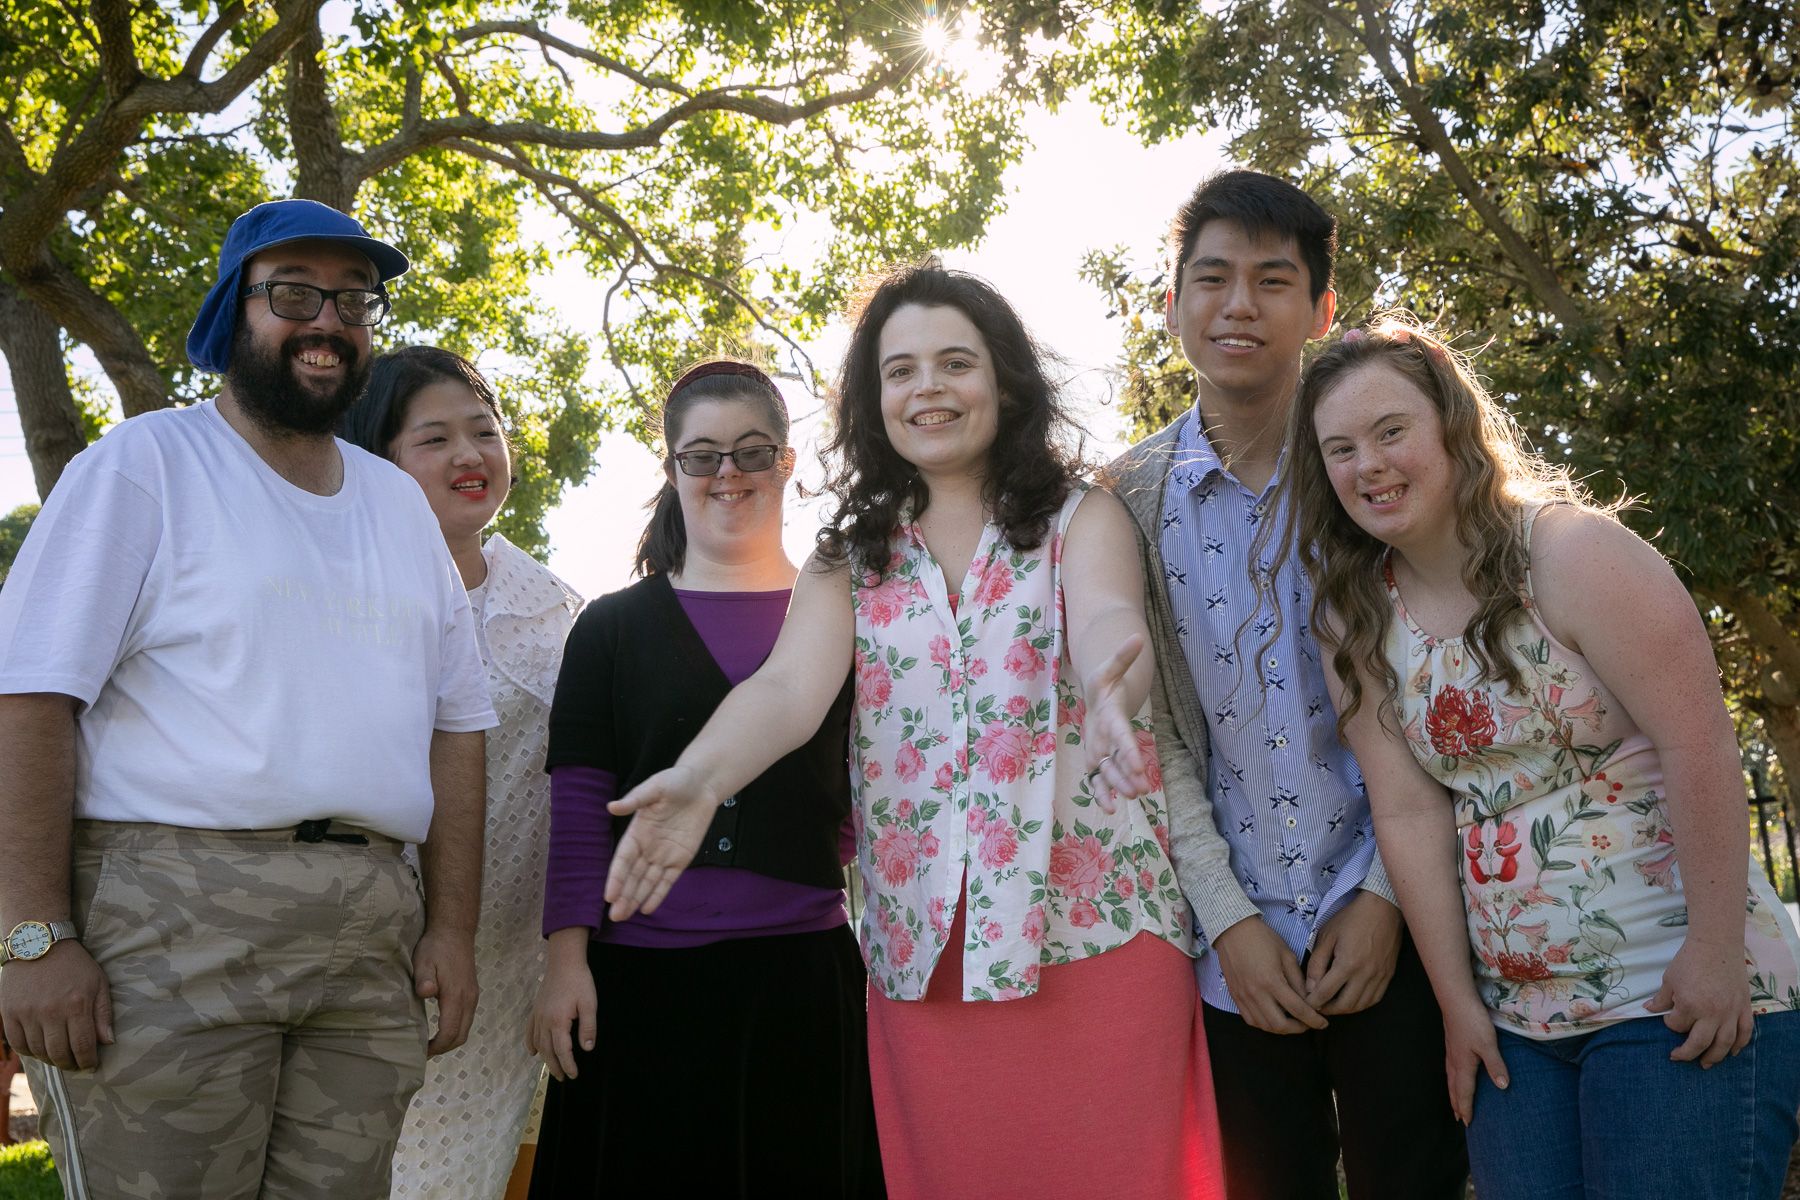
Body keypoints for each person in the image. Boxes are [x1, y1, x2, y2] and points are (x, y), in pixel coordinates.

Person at [604, 266, 1224, 1199]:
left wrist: (1108, 691)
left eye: (954, 362)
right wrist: (698, 779)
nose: (926, 387)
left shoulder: (1081, 515)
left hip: (1096, 930)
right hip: (924, 952)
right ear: (872, 400)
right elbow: (784, 693)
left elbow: (1105, 619)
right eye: (900, 371)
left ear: (1006, 382)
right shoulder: (848, 555)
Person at [0, 199, 495, 1197]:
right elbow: (28, 699)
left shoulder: (398, 503)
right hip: (169, 926)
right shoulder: (143, 467)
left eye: (354, 302)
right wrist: (30, 935)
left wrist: (449, 930)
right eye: (295, 295)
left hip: (368, 935)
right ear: (235, 314)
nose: (329, 322)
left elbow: (458, 731)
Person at [1284, 313, 1800, 1199]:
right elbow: (1410, 815)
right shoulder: (1354, 618)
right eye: (1340, 449)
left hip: (1675, 994)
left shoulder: (1571, 553)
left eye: (1390, 431)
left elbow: (1699, 743)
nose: (1367, 464)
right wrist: (1457, 1007)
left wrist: (1717, 954)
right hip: (1517, 1026)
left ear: (1449, 421)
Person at [1103, 170, 1467, 1198]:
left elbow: (1437, 685)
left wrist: (1390, 896)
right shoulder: (1124, 500)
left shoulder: (1369, 466)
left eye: (1273, 280)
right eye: (1210, 278)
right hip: (1238, 946)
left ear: (1321, 307)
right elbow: (1159, 735)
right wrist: (1228, 917)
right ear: (1169, 302)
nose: (1237, 306)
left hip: (1400, 910)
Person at [524, 359, 883, 1198]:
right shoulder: (610, 628)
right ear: (673, 467)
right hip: (639, 989)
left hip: (800, 982)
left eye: (753, 452)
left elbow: (871, 795)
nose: (729, 475)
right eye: (704, 455)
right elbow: (579, 808)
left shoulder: (852, 616)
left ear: (788, 463)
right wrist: (565, 964)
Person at [339, 346, 581, 1199]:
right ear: (380, 460)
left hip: (508, 959)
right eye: (433, 439)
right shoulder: (338, 592)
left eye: (484, 431)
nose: (469, 456)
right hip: (365, 949)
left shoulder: (558, 607)